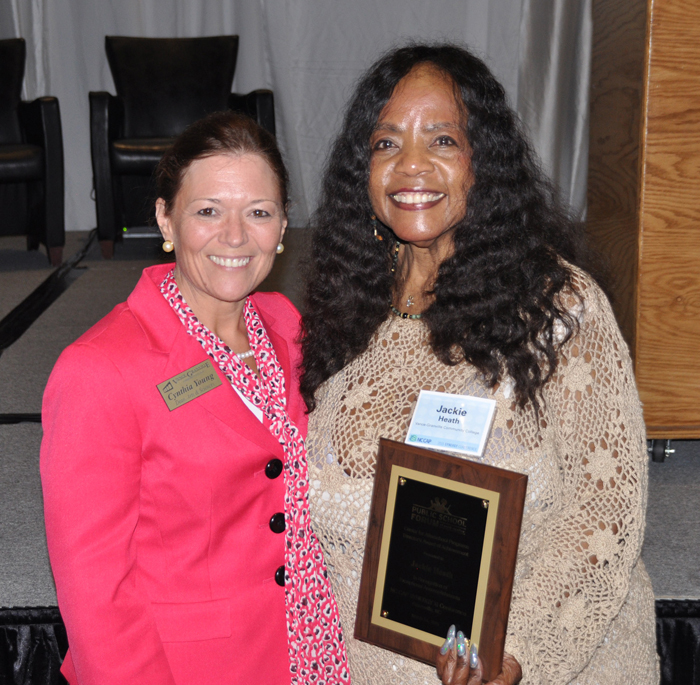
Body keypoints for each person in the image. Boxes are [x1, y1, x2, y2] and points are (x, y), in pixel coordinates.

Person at [300, 44, 659, 685]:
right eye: (386, 144)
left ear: (481, 162)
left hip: (535, 662)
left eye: (442, 140)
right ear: (362, 168)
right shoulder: (343, 304)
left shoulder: (558, 309)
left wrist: (513, 653)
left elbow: (604, 510)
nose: (412, 165)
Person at [41, 111, 349, 685]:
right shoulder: (99, 370)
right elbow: (94, 589)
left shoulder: (285, 327)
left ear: (283, 226)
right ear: (165, 217)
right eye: (208, 211)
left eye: (258, 212)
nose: (235, 236)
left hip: (308, 648)